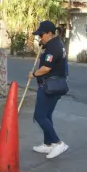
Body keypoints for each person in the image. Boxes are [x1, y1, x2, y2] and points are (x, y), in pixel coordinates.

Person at [30, 20, 69, 159]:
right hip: (54, 85)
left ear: (49, 33)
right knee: (46, 115)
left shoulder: (54, 48)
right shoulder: (56, 44)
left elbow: (46, 68)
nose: (40, 38)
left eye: (41, 35)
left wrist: (33, 74)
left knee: (40, 116)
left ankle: (58, 143)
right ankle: (48, 144)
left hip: (50, 86)